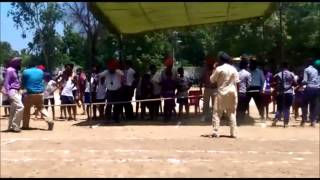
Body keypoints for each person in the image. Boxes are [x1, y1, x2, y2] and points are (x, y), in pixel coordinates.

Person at [210, 52, 239, 138]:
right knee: (232, 113)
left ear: (220, 60)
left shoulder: (219, 68)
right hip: (232, 92)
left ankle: (215, 131)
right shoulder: (234, 69)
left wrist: (214, 68)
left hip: (221, 92)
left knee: (217, 113)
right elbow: (237, 82)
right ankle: (233, 133)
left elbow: (212, 80)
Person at [21, 64, 54, 130]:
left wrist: (22, 89)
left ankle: (25, 125)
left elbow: (23, 83)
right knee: (42, 108)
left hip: (30, 93)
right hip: (40, 93)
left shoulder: (25, 71)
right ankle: (50, 120)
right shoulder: (40, 71)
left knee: (26, 109)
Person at [271, 62, 296, 128]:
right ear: (288, 67)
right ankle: (286, 123)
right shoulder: (291, 74)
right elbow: (295, 83)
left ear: (281, 67)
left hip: (280, 93)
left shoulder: (277, 74)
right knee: (287, 108)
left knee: (279, 108)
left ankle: (276, 119)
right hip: (289, 93)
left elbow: (273, 83)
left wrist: (277, 87)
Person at [99, 58, 124, 123]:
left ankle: (116, 118)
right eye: (110, 67)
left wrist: (115, 70)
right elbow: (100, 75)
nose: (111, 69)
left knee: (116, 106)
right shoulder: (106, 72)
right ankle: (107, 118)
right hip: (109, 91)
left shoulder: (118, 71)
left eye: (113, 68)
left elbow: (122, 74)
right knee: (108, 106)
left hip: (117, 91)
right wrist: (108, 70)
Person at [3, 57, 24, 132]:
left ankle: (10, 127)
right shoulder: (10, 70)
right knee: (20, 107)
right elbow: (6, 82)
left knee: (13, 110)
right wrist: (8, 93)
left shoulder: (15, 71)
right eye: (19, 62)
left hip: (16, 92)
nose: (20, 64)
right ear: (15, 63)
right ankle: (15, 126)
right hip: (12, 91)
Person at [301, 58, 320, 127]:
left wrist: (301, 84)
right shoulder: (318, 70)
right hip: (317, 89)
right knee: (314, 105)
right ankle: (313, 121)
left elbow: (305, 81)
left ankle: (303, 121)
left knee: (304, 104)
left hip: (309, 88)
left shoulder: (307, 69)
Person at [200, 56, 217, 122]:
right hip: (207, 88)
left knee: (215, 104)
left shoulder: (216, 69)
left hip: (215, 88)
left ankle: (214, 117)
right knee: (205, 104)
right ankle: (204, 116)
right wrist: (200, 87)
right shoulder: (205, 69)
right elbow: (202, 78)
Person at [160, 56, 178, 122]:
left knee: (168, 105)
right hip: (169, 93)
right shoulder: (163, 72)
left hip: (168, 93)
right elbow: (162, 84)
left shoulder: (174, 71)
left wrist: (162, 93)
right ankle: (168, 116)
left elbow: (176, 83)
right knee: (168, 105)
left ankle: (167, 116)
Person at [236, 58, 251, 125]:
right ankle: (240, 120)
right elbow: (248, 84)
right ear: (246, 65)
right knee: (242, 107)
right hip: (243, 92)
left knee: (237, 106)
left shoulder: (237, 73)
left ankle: (237, 120)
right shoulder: (248, 74)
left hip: (237, 92)